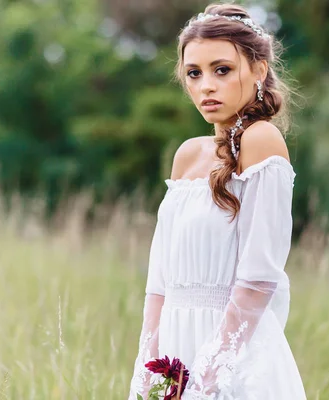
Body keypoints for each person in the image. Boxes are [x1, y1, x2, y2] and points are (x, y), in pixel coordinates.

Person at [128, 3, 306, 399]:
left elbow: (260, 276)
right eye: (194, 73)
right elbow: (159, 280)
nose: (206, 85)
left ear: (259, 70)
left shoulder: (261, 141)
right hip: (174, 349)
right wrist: (151, 364)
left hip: (232, 355)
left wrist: (210, 372)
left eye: (221, 69)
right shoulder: (188, 154)